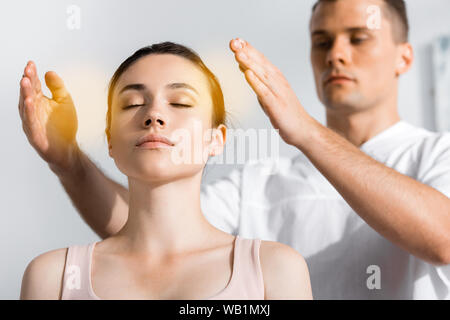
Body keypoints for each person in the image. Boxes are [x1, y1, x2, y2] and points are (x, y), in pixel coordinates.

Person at [18, 0, 450, 299]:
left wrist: (304, 130)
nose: (336, 54)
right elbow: (140, 226)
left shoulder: (435, 155)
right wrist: (69, 161)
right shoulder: (259, 182)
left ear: (404, 57)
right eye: (322, 41)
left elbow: (444, 237)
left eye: (358, 38)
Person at [18, 42, 312, 300]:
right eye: (132, 103)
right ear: (109, 140)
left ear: (215, 140)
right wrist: (66, 156)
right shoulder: (52, 278)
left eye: (180, 103)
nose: (153, 115)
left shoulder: (273, 270)